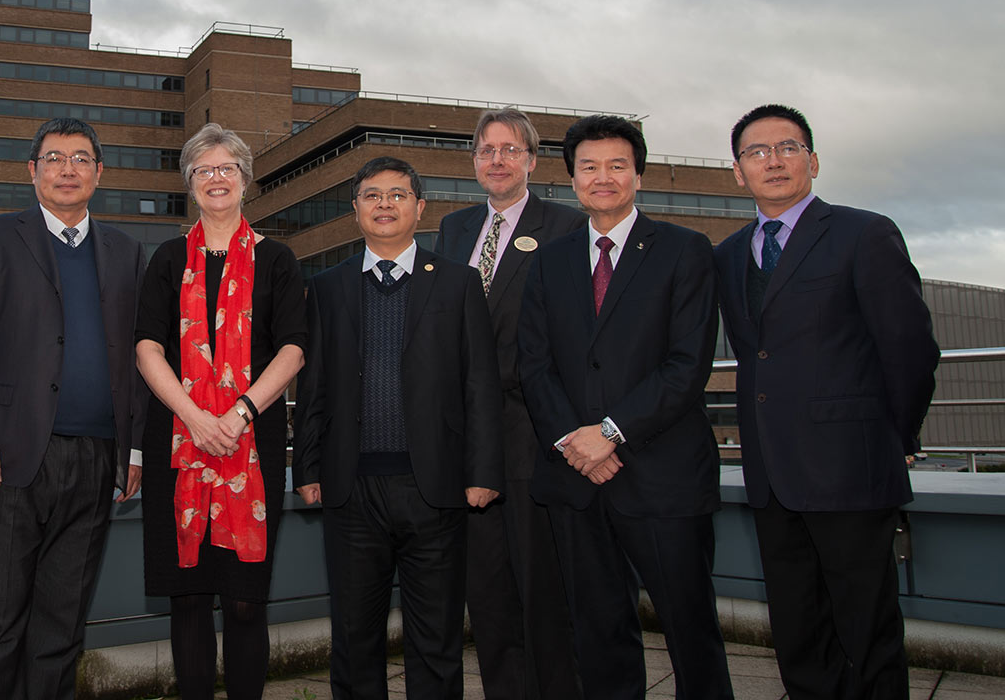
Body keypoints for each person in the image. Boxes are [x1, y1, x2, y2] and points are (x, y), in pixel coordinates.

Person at [714, 103, 939, 700]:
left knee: (867, 630)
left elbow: (910, 348)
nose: (774, 161)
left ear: (812, 160)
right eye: (756, 153)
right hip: (771, 475)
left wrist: (897, 436)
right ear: (738, 172)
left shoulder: (864, 233)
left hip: (851, 467)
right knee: (797, 629)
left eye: (788, 148)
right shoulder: (730, 255)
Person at [517, 115, 733, 700]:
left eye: (617, 165)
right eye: (589, 167)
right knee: (598, 631)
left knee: (690, 628)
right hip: (577, 479)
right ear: (572, 179)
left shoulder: (685, 251)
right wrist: (574, 442)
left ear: (638, 173)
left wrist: (610, 433)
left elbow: (688, 365)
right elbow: (533, 363)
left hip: (662, 476)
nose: (603, 177)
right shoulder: (552, 259)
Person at [0, 117, 147, 700]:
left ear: (99, 173)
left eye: (81, 158)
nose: (68, 169)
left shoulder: (124, 250)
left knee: (62, 626)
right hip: (7, 457)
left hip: (94, 461)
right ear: (32, 170)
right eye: (55, 158)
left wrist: (132, 446)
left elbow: (138, 356)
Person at [294, 156, 502, 700]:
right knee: (354, 638)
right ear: (355, 209)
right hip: (350, 489)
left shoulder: (458, 283)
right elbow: (313, 385)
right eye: (372, 196)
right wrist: (308, 465)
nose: (385, 205)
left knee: (436, 640)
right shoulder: (327, 286)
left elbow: (479, 382)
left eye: (398, 195)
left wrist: (482, 471)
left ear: (420, 207)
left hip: (434, 488)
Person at [134, 124, 307, 700]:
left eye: (226, 168)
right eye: (204, 169)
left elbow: (293, 347)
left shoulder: (276, 259)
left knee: (243, 601)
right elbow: (147, 347)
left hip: (248, 447)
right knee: (188, 600)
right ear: (190, 183)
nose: (216, 178)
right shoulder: (165, 259)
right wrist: (196, 418)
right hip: (178, 450)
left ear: (243, 180)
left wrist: (237, 415)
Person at [435, 108, 583, 700]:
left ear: (531, 161)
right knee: (487, 597)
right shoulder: (452, 229)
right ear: (474, 161)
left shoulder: (567, 228)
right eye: (486, 150)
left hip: (530, 436)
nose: (497, 160)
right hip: (466, 441)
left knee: (542, 595)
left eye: (510, 150)